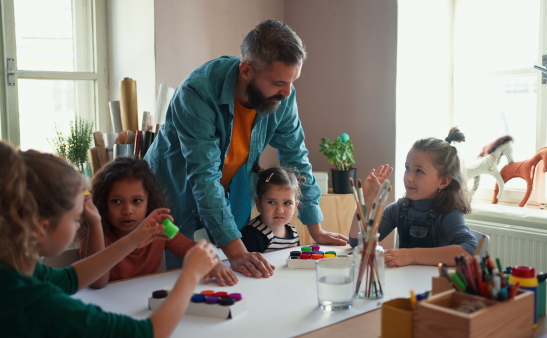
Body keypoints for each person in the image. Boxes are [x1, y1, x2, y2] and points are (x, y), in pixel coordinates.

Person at [144, 19, 347, 277]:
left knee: (225, 285)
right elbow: (205, 177)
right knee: (175, 287)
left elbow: (295, 156)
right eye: (277, 83)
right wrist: (237, 252)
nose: (287, 92)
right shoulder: (197, 92)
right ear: (246, 71)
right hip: (171, 203)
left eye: (292, 81)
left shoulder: (284, 94)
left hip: (225, 200)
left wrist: (316, 229)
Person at [0, 141, 219, 337]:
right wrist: (190, 274)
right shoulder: (38, 302)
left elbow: (69, 279)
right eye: (76, 218)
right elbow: (147, 333)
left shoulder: (15, 270)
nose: (79, 224)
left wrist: (133, 239)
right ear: (41, 229)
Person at [79, 157, 238, 288]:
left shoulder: (160, 227)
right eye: (116, 201)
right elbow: (97, 283)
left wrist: (214, 261)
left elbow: (191, 248)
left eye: (137, 201)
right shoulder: (94, 234)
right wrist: (94, 224)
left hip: (151, 302)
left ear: (149, 201)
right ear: (102, 203)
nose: (128, 210)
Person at [349, 127, 477, 267]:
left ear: (443, 181)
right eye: (407, 168)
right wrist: (367, 199)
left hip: (433, 286)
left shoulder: (448, 213)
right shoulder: (399, 209)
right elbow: (357, 242)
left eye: (419, 171)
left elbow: (468, 251)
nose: (408, 177)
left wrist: (411, 255)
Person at [241, 166, 304, 252]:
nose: (280, 210)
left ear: (295, 207)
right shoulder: (251, 234)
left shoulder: (293, 233)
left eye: (287, 203)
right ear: (259, 204)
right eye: (272, 202)